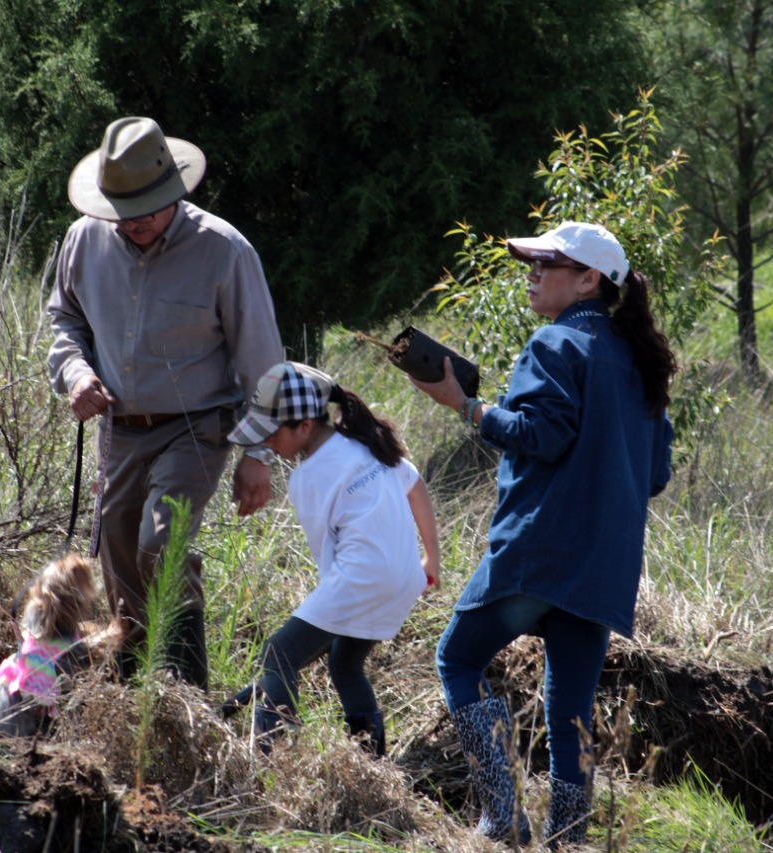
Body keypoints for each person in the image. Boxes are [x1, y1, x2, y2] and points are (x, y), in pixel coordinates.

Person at [408, 222, 675, 848]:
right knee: (570, 710)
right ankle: (569, 838)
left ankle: (502, 817)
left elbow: (542, 436)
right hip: (603, 567)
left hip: (540, 551)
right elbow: (655, 475)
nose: (530, 273)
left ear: (589, 280)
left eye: (545, 264)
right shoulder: (641, 363)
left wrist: (466, 406)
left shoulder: (555, 342)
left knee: (458, 657)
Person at [46, 116, 285, 690]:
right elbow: (65, 320)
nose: (136, 221)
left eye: (148, 207)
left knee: (162, 543)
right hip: (119, 428)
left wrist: (259, 456)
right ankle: (134, 697)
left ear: (174, 190)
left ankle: (188, 698)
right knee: (121, 560)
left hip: (198, 426)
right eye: (123, 211)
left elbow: (266, 366)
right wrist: (75, 374)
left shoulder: (224, 251)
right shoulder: (84, 240)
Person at [221, 362, 441, 756]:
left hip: (360, 578)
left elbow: (330, 562)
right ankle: (372, 761)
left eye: (272, 434)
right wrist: (431, 559)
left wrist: (320, 627)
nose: (267, 444)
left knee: (278, 653)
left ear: (304, 426)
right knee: (344, 664)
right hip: (405, 578)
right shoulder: (366, 444)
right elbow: (416, 486)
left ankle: (270, 760)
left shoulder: (307, 478)